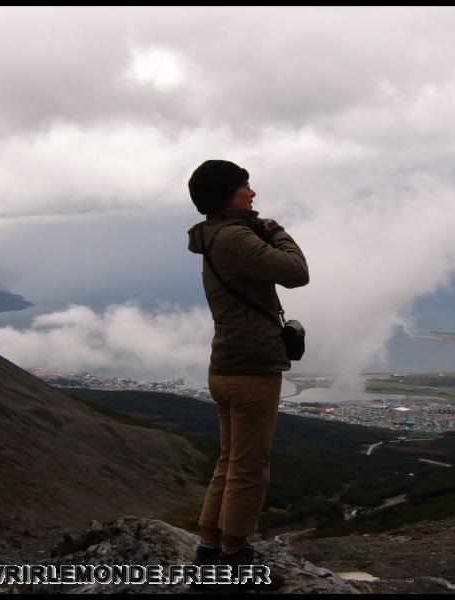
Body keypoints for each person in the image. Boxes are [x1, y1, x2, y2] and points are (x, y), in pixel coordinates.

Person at [186, 159, 309, 589]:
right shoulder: (236, 237)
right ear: (226, 195)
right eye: (245, 187)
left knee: (229, 461)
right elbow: (297, 273)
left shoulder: (213, 238)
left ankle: (209, 547)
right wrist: (274, 230)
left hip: (225, 366)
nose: (253, 193)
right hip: (252, 369)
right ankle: (235, 557)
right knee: (250, 467)